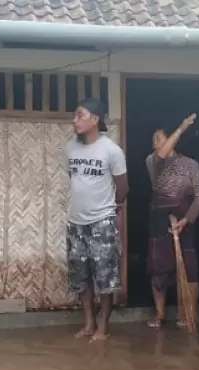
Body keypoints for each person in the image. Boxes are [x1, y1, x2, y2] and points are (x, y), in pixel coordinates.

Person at [65, 98, 129, 342]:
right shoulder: (70, 148)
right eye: (75, 115)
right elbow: (73, 176)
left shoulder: (111, 151)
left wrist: (111, 210)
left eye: (80, 115)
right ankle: (89, 324)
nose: (75, 120)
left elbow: (122, 188)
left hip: (102, 222)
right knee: (81, 277)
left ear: (95, 119)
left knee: (105, 278)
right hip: (76, 223)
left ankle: (104, 326)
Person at [145, 113, 199, 329]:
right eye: (154, 140)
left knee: (189, 268)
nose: (156, 143)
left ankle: (188, 315)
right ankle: (160, 314)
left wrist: (187, 219)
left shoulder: (191, 165)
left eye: (159, 138)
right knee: (159, 270)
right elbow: (162, 154)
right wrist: (181, 127)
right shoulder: (153, 162)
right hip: (159, 222)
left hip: (185, 223)